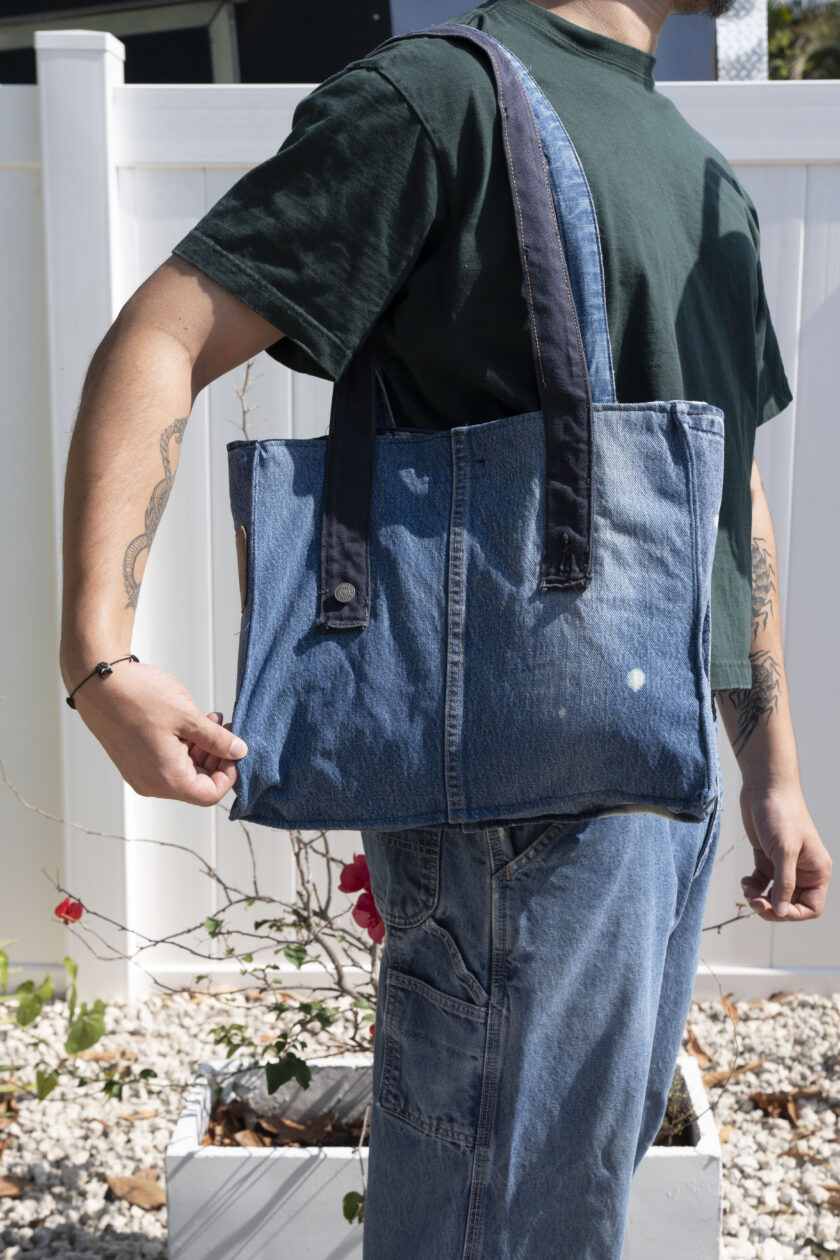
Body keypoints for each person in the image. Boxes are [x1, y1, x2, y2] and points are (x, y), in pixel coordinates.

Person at [59, 0, 831, 1255]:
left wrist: (773, 770)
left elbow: (727, 492)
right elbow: (166, 330)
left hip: (665, 780)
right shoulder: (444, 102)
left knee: (563, 1200)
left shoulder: (700, 172)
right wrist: (99, 655)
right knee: (498, 1215)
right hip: (519, 787)